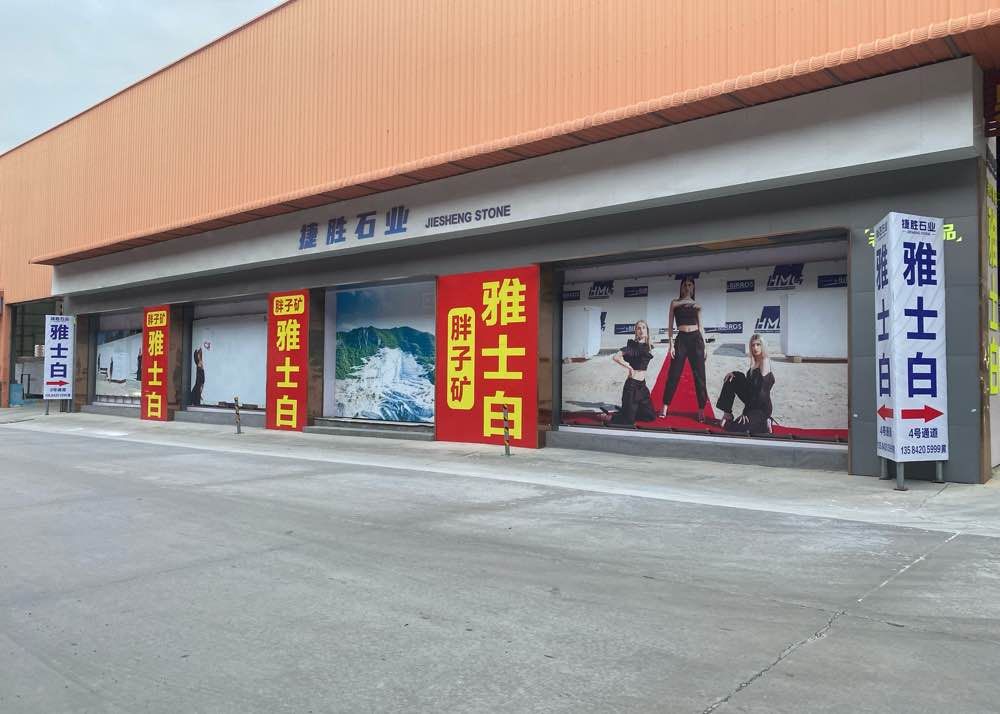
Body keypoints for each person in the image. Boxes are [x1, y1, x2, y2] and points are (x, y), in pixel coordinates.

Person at [658, 275, 708, 421]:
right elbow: (670, 325)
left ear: (693, 287)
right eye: (685, 285)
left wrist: (705, 346)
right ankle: (665, 405)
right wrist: (671, 344)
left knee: (700, 376)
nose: (687, 287)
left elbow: (701, 326)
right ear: (681, 287)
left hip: (696, 339)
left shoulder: (697, 305)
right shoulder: (675, 303)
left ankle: (701, 409)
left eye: (690, 285)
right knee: (673, 374)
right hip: (681, 340)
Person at [715, 334, 775, 435]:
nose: (755, 348)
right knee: (731, 378)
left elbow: (762, 392)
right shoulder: (755, 361)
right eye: (753, 345)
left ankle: (765, 421)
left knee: (737, 427)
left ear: (763, 346)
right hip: (751, 399)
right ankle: (727, 414)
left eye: (758, 345)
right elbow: (749, 384)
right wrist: (734, 374)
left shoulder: (764, 361)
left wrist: (747, 413)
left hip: (761, 407)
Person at [602, 320, 657, 425]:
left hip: (642, 386)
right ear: (636, 331)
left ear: (647, 330)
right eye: (638, 328)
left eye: (643, 328)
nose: (641, 330)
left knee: (650, 416)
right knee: (628, 422)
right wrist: (629, 367)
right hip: (632, 386)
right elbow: (616, 357)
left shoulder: (649, 345)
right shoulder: (632, 346)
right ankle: (607, 417)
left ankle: (628, 411)